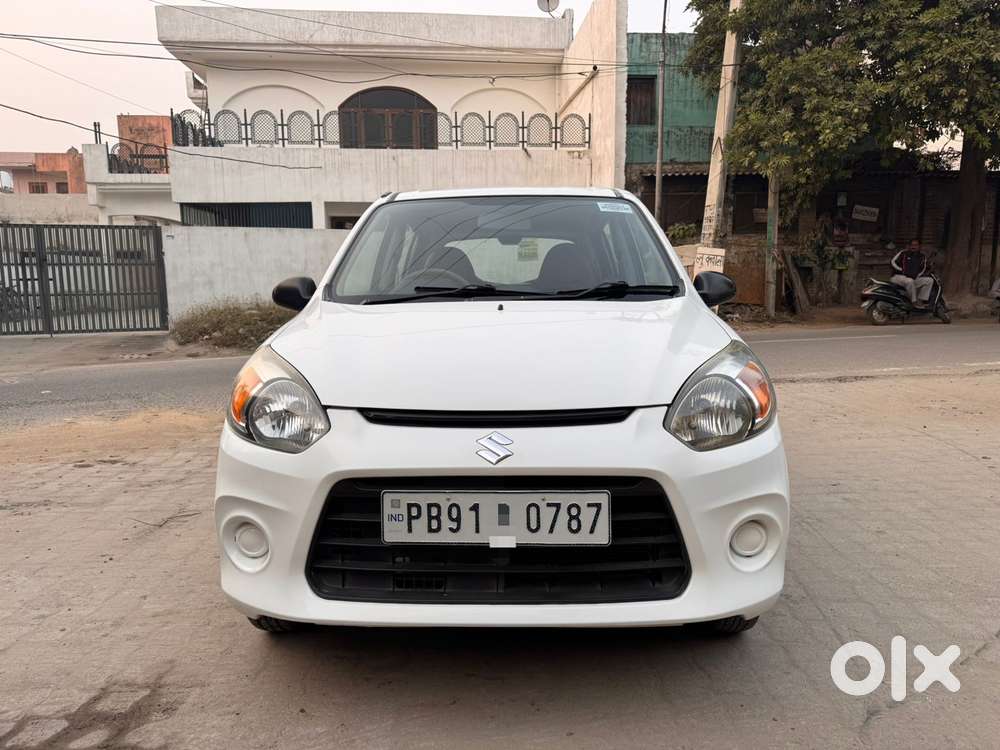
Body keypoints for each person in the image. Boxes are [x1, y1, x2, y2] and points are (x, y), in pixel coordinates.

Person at [890, 239, 933, 307]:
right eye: (912, 245)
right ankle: (914, 302)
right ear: (909, 246)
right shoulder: (903, 253)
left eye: (916, 245)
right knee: (910, 281)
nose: (913, 247)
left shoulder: (922, 256)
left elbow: (922, 269)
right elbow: (892, 262)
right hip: (898, 277)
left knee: (929, 280)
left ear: (919, 246)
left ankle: (920, 300)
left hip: (912, 278)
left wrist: (915, 275)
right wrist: (903, 271)